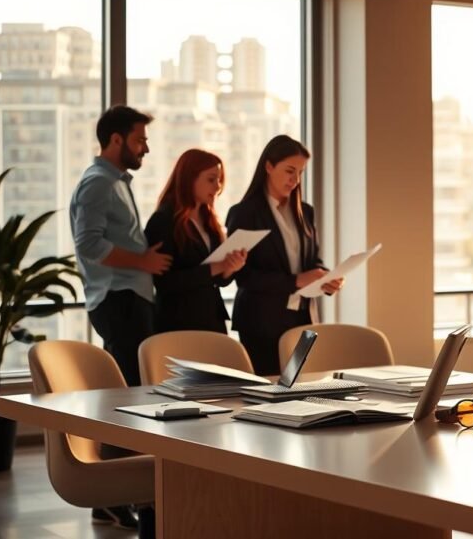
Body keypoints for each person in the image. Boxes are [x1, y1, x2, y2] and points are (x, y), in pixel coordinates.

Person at [69, 105, 168, 533]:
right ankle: (111, 496)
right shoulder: (97, 184)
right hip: (118, 298)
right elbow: (88, 243)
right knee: (126, 400)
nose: (145, 146)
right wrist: (143, 261)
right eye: (139, 139)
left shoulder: (116, 183)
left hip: (130, 296)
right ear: (115, 140)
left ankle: (114, 499)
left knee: (131, 394)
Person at [226, 135, 342, 375]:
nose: (295, 179)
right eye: (290, 171)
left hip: (302, 316)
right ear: (268, 166)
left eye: (300, 172)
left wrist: (325, 278)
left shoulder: (305, 212)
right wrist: (295, 281)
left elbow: (312, 260)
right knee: (267, 393)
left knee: (302, 387)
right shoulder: (246, 213)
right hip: (260, 320)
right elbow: (244, 277)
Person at [144, 149, 246, 334]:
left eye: (219, 180)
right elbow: (165, 283)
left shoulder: (209, 221)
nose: (218, 187)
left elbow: (219, 281)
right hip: (178, 323)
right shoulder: (163, 221)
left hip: (211, 320)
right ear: (189, 179)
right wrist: (217, 267)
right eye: (211, 179)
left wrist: (230, 267)